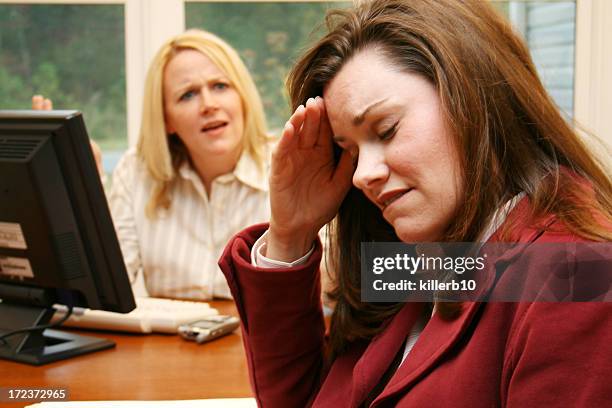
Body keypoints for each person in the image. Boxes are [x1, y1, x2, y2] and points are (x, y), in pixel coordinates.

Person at [218, 0, 612, 407]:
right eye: (349, 150)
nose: (361, 174)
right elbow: (304, 400)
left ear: (473, 95)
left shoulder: (578, 277)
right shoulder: (436, 254)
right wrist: (291, 234)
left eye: (386, 130)